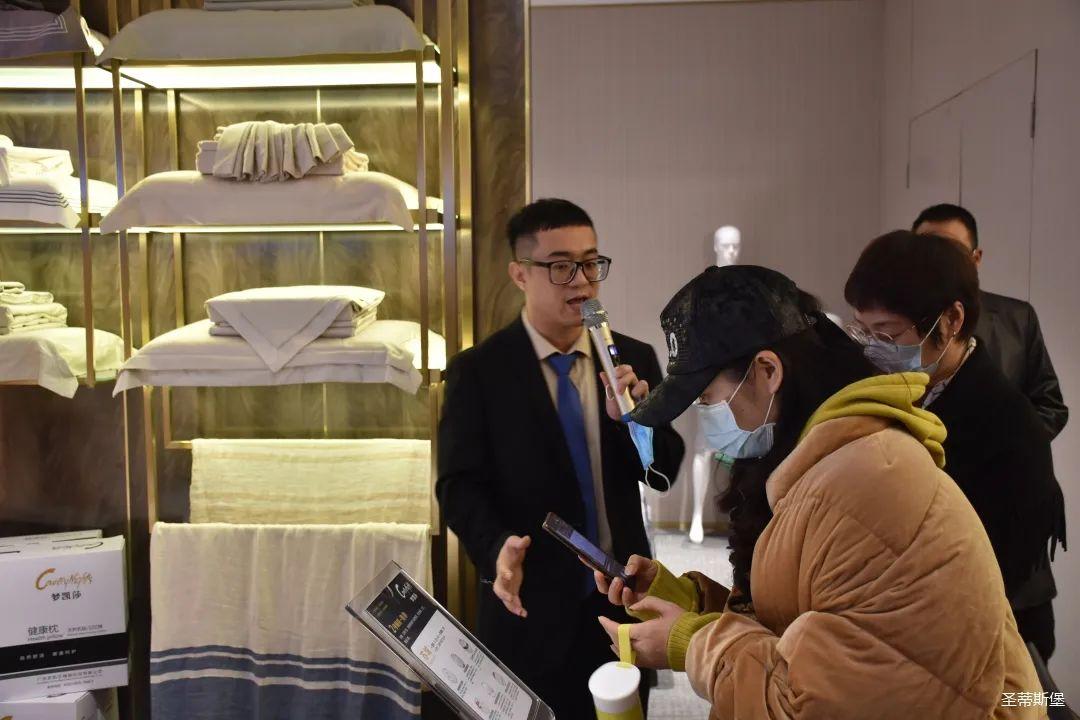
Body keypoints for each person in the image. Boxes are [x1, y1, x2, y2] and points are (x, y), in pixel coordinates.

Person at [592, 263, 1044, 718]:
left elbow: (810, 704)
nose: (705, 415)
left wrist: (694, 645)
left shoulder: (861, 489)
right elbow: (803, 621)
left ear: (767, 371)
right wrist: (688, 602)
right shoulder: (823, 466)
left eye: (706, 398)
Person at [436, 199, 685, 718]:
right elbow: (458, 485)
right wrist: (495, 547)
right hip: (528, 608)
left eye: (591, 263)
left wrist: (636, 422)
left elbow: (661, 473)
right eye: (561, 266)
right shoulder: (478, 372)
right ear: (519, 274)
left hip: (619, 600)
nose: (582, 282)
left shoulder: (632, 358)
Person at [845, 230, 1067, 661]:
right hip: (912, 631)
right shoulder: (901, 390)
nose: (873, 349)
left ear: (951, 320)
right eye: (864, 332)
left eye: (887, 334)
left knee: (1035, 696)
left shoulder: (1009, 425)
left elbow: (990, 570)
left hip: (992, 635)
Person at [913, 203, 1068, 438]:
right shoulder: (892, 323)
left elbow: (1049, 407)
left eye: (952, 251)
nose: (938, 261)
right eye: (925, 250)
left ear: (976, 258)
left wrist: (1009, 444)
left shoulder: (1018, 319)